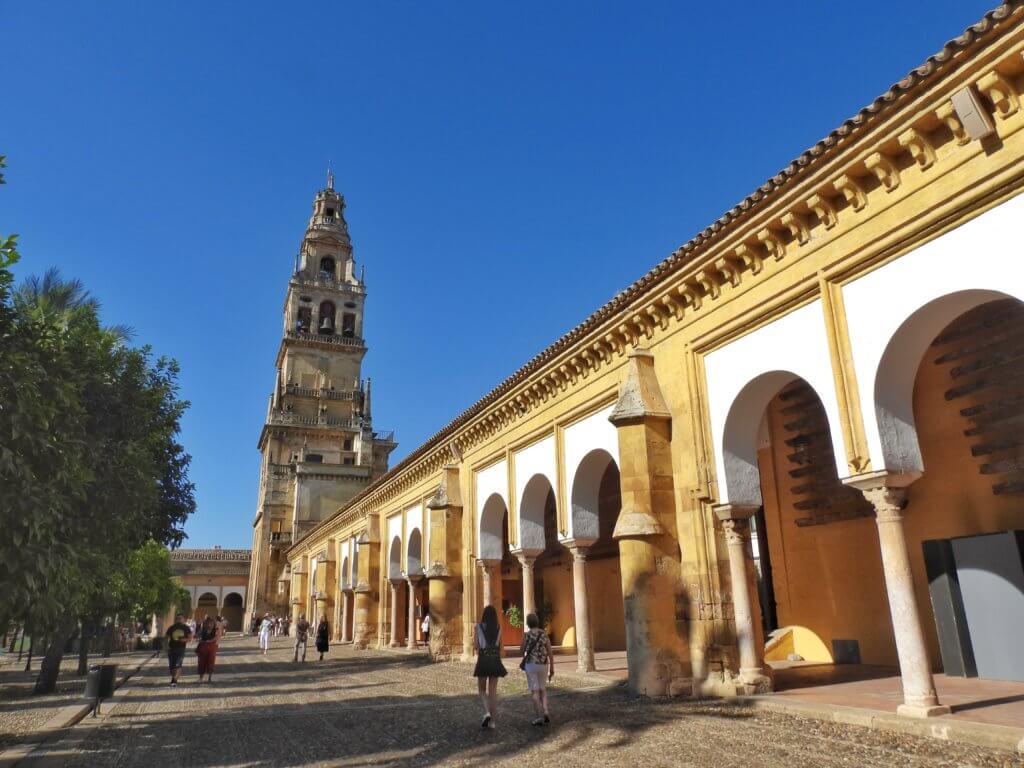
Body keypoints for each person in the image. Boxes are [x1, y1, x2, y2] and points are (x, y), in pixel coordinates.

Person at [472, 605, 506, 729]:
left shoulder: (478, 627)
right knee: (493, 693)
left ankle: (486, 713)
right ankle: (493, 722)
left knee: (481, 690)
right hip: (495, 660)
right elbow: (500, 646)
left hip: (483, 659)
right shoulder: (498, 628)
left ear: (484, 615)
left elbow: (476, 646)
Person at [520, 612, 555, 726]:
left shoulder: (527, 635)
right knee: (543, 689)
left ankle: (539, 716)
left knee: (535, 691)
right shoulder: (544, 634)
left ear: (528, 623)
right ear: (537, 622)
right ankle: (546, 710)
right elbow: (550, 652)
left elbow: (522, 650)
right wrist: (552, 668)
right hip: (543, 664)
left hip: (531, 664)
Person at [164, 613, 192, 686]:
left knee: (178, 665)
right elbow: (166, 637)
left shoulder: (186, 628)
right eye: (177, 618)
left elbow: (190, 638)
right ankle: (173, 677)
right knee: (171, 666)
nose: (179, 620)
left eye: (180, 618)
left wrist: (184, 640)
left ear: (183, 619)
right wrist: (166, 647)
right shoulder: (172, 627)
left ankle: (174, 680)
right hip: (171, 648)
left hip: (181, 648)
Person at [195, 615, 218, 683]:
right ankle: (201, 678)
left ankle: (210, 678)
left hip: (211, 647)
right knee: (201, 662)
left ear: (213, 624)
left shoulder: (215, 630)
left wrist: (209, 641)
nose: (209, 624)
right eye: (208, 623)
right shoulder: (203, 629)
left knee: (211, 662)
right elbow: (197, 635)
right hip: (203, 647)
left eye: (211, 623)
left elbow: (216, 637)